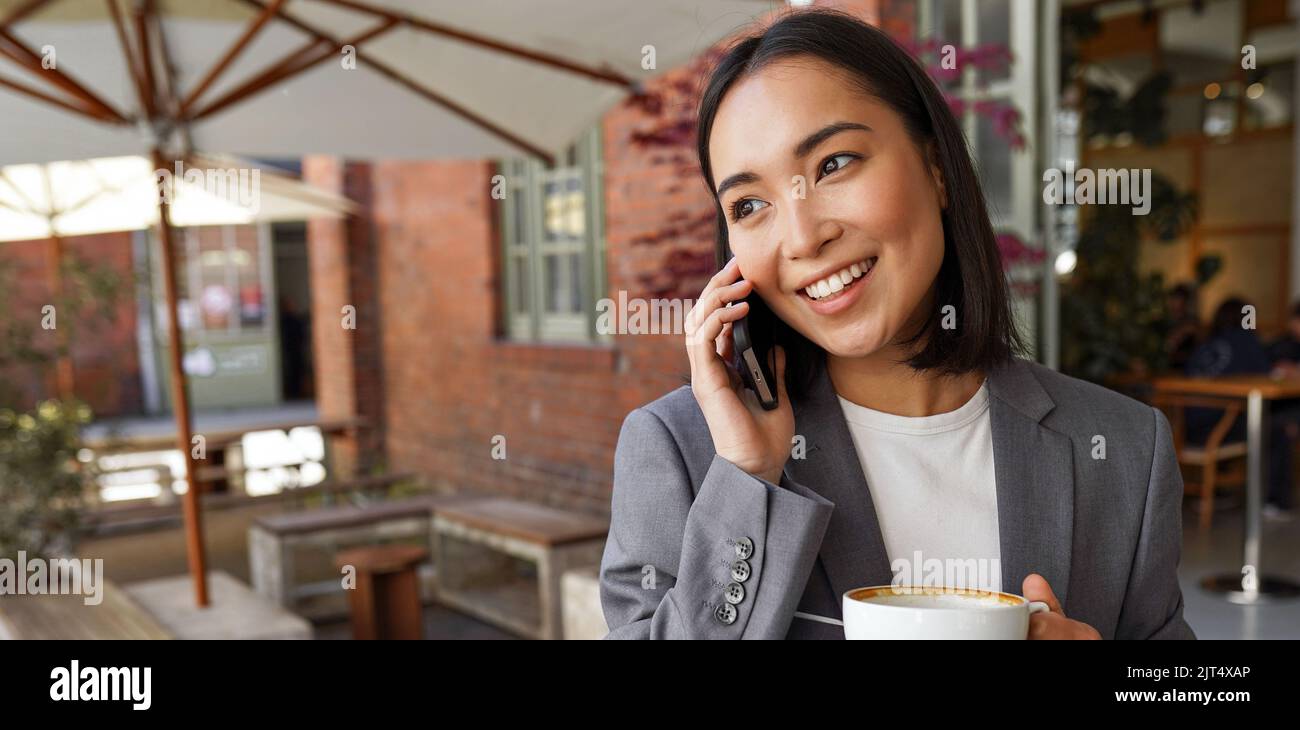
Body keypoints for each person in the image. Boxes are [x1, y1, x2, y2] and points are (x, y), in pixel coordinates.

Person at [598, 9, 1193, 639]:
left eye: (833, 164)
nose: (802, 238)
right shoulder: (683, 450)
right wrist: (748, 482)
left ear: (936, 168)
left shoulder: (1125, 449)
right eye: (750, 205)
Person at [1187, 297, 1296, 519]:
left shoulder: (1206, 344)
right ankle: (1275, 501)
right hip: (1218, 429)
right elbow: (1266, 374)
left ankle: (1218, 491)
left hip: (1185, 428)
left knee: (1241, 417)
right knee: (1278, 428)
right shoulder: (1247, 341)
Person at [1165, 283, 1201, 371]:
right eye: (1173, 299)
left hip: (1186, 367)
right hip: (1167, 367)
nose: (1175, 303)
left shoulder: (1192, 322)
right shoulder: (1162, 322)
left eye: (1179, 299)